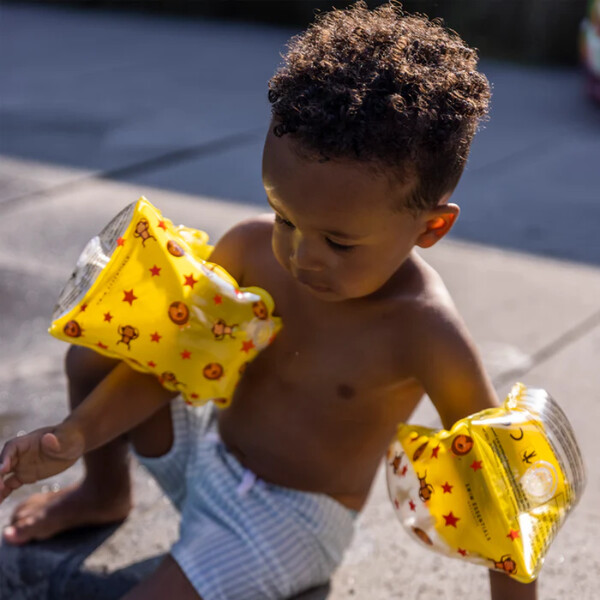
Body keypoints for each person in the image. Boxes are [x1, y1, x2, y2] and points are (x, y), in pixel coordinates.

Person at [0, 3, 537, 599]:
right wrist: (77, 434)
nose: (301, 255)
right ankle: (103, 493)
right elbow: (170, 363)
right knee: (97, 355)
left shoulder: (425, 329)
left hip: (286, 522)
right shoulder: (250, 249)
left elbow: (496, 485)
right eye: (284, 216)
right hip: (205, 453)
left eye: (338, 242)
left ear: (431, 228)